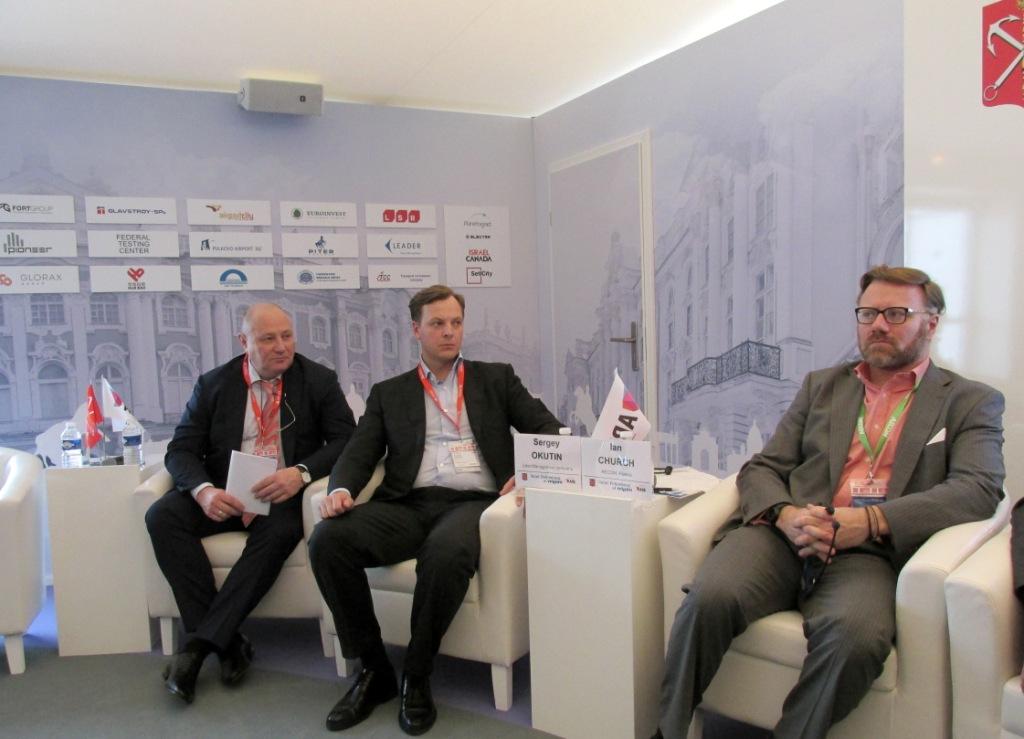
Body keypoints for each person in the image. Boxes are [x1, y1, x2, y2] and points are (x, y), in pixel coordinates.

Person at [657, 265, 1005, 738]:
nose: (878, 324)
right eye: (868, 313)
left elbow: (978, 488)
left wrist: (871, 521)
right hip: (784, 537)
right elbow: (763, 467)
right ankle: (666, 729)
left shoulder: (969, 400)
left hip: (869, 553)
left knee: (855, 638)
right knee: (709, 597)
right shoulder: (822, 385)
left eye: (896, 314)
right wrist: (785, 515)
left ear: (931, 323)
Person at [309, 284, 562, 735]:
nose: (449, 332)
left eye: (456, 323)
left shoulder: (496, 378)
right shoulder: (389, 393)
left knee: (446, 555)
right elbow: (359, 451)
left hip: (473, 502)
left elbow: (547, 430)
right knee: (328, 540)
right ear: (416, 329)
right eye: (438, 324)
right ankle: (374, 670)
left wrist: (528, 474)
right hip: (408, 502)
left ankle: (417, 673)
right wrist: (341, 488)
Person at [146, 302, 356, 704]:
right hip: (224, 492)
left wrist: (300, 473)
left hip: (280, 495)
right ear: (244, 342)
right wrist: (203, 491)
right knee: (162, 516)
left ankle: (197, 647)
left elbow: (348, 439)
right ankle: (226, 643)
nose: (281, 347)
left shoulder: (317, 380)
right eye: (268, 338)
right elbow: (180, 450)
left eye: (287, 336)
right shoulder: (214, 384)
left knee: (278, 533)